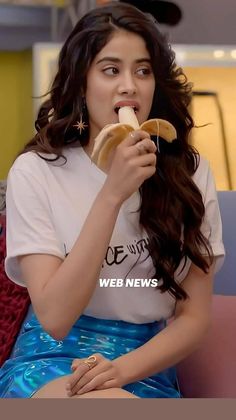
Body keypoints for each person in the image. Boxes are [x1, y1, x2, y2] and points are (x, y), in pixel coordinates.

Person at [0, 1, 225, 399]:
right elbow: (54, 317)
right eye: (110, 70)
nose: (129, 85)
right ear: (81, 84)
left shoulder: (189, 173)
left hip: (145, 362)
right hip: (51, 357)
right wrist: (112, 195)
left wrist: (120, 370)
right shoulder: (36, 172)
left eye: (143, 70)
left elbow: (195, 318)